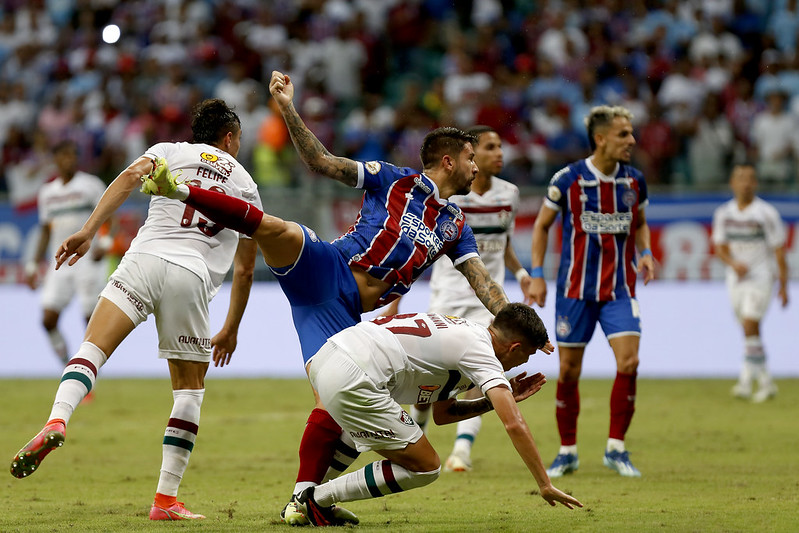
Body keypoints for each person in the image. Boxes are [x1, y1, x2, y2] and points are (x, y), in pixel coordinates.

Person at [139, 70, 524, 525]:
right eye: (469, 157)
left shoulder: (456, 226)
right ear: (446, 161)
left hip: (339, 312)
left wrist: (517, 325)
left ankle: (304, 500)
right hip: (328, 266)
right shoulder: (392, 180)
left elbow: (482, 282)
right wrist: (287, 107)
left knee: (338, 399)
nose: (476, 166)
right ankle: (178, 189)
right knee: (273, 226)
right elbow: (322, 162)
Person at [10, 99, 260, 521]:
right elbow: (246, 268)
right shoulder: (246, 184)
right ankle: (165, 500)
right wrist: (232, 326)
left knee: (91, 348)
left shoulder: (168, 151)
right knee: (188, 391)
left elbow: (128, 177)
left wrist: (88, 230)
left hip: (143, 259)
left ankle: (57, 419)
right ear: (230, 138)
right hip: (191, 275)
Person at [288, 304, 582, 526]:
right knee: (426, 466)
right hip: (357, 373)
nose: (523, 363)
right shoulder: (482, 352)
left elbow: (444, 413)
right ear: (515, 347)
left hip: (329, 355)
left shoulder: (468, 333)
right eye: (527, 356)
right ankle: (316, 500)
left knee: (367, 428)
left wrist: (491, 403)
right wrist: (544, 483)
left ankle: (303, 500)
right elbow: (514, 424)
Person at [385, 125, 535, 473]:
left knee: (479, 374)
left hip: (488, 303)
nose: (499, 153)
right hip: (447, 297)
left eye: (501, 146)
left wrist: (523, 275)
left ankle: (462, 452)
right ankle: (414, 436)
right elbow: (426, 248)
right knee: (430, 382)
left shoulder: (509, 194)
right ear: (470, 156)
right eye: (489, 147)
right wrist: (398, 299)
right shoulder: (453, 197)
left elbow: (503, 243)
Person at [530, 105, 655, 478]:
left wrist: (645, 252)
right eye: (623, 134)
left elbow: (642, 223)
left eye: (631, 133)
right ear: (600, 139)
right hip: (574, 290)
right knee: (568, 372)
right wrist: (537, 274)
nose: (632, 140)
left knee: (629, 363)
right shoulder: (567, 180)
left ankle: (616, 448)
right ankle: (567, 451)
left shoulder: (634, 181)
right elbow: (541, 227)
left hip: (619, 289)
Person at [24, 140, 110, 366]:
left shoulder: (91, 185)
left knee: (89, 320)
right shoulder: (47, 193)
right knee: (48, 319)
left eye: (73, 155)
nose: (69, 160)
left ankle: (88, 372)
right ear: (56, 160)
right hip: (60, 262)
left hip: (88, 259)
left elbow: (110, 215)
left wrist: (106, 241)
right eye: (64, 156)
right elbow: (45, 231)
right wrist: (33, 265)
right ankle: (67, 366)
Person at [711, 163, 789, 402]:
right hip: (736, 279)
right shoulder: (724, 214)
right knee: (748, 332)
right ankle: (760, 382)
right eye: (740, 178)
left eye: (750, 178)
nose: (745, 183)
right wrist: (733, 264)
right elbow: (720, 248)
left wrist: (784, 286)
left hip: (761, 277)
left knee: (749, 324)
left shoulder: (766, 213)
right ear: (732, 183)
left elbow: (779, 251)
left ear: (755, 183)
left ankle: (751, 383)